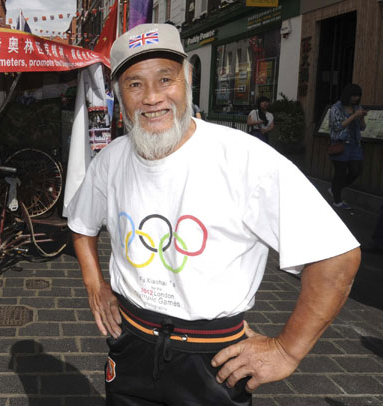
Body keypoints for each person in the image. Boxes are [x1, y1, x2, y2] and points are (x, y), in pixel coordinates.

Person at [66, 24, 361, 406]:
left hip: (214, 362)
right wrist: (95, 285)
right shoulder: (111, 160)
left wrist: (287, 350)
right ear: (119, 95)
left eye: (165, 79)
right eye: (135, 84)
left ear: (187, 80)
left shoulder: (244, 158)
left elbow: (336, 257)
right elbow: (81, 225)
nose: (152, 97)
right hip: (131, 347)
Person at [328, 84, 367, 211]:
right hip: (341, 144)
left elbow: (362, 128)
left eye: (358, 96)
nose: (356, 98)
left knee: (356, 171)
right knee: (340, 173)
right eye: (354, 95)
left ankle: (334, 189)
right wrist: (354, 116)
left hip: (355, 145)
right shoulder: (336, 108)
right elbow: (337, 126)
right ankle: (337, 201)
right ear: (347, 95)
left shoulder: (357, 107)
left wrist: (361, 117)